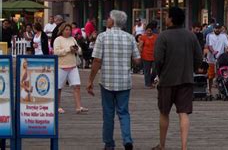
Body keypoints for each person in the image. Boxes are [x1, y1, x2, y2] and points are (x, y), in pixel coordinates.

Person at [87, 10, 140, 150]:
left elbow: (97, 60)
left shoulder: (102, 37)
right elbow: (137, 60)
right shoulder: (130, 37)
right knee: (124, 112)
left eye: (109, 18)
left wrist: (90, 80)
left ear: (113, 21)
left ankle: (109, 143)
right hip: (124, 81)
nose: (107, 20)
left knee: (108, 114)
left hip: (107, 81)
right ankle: (127, 139)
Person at [153, 7, 202, 150]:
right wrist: (191, 69)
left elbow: (158, 59)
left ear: (171, 19)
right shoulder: (191, 36)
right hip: (186, 80)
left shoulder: (163, 36)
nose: (165, 18)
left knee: (164, 113)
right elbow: (198, 57)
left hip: (167, 80)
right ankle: (184, 146)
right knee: (184, 113)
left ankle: (162, 144)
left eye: (167, 16)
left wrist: (159, 74)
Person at [53, 23, 88, 114]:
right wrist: (68, 49)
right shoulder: (58, 39)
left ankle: (78, 106)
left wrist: (76, 49)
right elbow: (56, 52)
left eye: (69, 30)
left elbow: (79, 50)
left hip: (73, 66)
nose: (68, 31)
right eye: (66, 29)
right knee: (59, 88)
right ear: (62, 30)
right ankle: (58, 106)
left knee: (77, 86)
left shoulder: (72, 39)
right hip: (61, 66)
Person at [206, 23, 228, 96]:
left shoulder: (224, 36)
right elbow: (209, 45)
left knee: (221, 76)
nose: (217, 30)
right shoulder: (209, 35)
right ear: (213, 29)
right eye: (216, 28)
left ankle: (221, 91)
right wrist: (213, 52)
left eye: (219, 28)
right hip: (211, 58)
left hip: (221, 59)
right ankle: (209, 90)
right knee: (211, 75)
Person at [138, 24, 158, 88]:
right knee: (147, 71)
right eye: (147, 31)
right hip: (145, 55)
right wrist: (139, 54)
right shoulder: (143, 37)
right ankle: (147, 84)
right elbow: (140, 46)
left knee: (155, 70)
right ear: (145, 31)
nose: (149, 32)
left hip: (154, 56)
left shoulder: (156, 37)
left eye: (150, 31)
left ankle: (151, 81)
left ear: (152, 31)